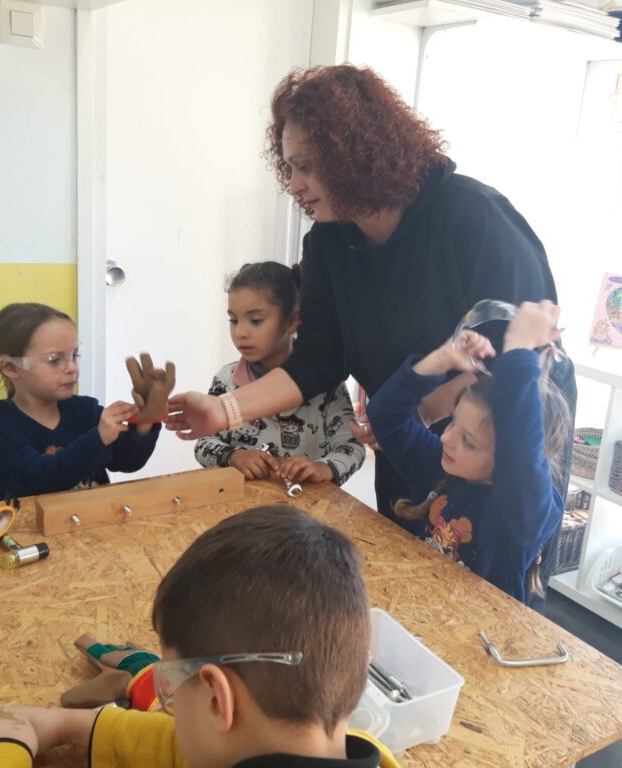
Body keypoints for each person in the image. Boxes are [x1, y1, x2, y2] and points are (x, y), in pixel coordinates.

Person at [166, 64, 575, 608]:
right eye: (289, 167)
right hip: (411, 433)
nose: (294, 185)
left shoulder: (473, 218)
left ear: (356, 154)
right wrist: (224, 412)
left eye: (306, 166)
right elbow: (318, 359)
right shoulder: (328, 244)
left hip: (500, 449)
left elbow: (526, 358)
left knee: (493, 588)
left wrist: (423, 410)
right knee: (413, 564)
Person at [0, 506, 399, 767]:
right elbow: (192, 748)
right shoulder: (362, 750)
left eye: (169, 687)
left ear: (216, 700)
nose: (168, 705)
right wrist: (66, 724)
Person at [366, 301, 570, 604]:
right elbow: (386, 417)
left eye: (469, 441)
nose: (446, 438)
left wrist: (519, 349)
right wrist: (442, 359)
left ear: (507, 458)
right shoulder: (440, 466)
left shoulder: (523, 513)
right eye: (453, 422)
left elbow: (522, 450)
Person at [0, 302, 165, 501]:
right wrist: (99, 438)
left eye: (74, 355)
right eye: (54, 360)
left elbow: (128, 461)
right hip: (28, 522)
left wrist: (144, 422)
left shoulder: (85, 410)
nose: (72, 367)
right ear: (11, 367)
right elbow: (32, 482)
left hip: (93, 518)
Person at [194, 262, 364, 486]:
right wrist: (234, 456)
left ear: (292, 321)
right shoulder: (226, 379)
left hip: (309, 504)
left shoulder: (325, 382)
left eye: (256, 321)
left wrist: (322, 468)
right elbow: (203, 443)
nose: (240, 332)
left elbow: (352, 446)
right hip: (245, 502)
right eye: (233, 320)